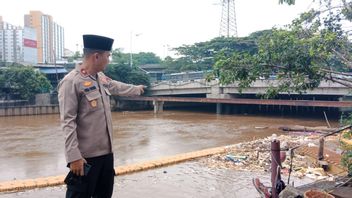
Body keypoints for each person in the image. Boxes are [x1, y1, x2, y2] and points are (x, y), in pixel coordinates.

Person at [58, 34, 145, 198]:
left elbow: (115, 86)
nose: (108, 60)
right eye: (108, 56)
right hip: (85, 159)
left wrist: (136, 88)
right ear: (96, 56)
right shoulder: (71, 82)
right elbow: (67, 122)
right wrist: (73, 156)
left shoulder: (99, 77)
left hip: (106, 155)